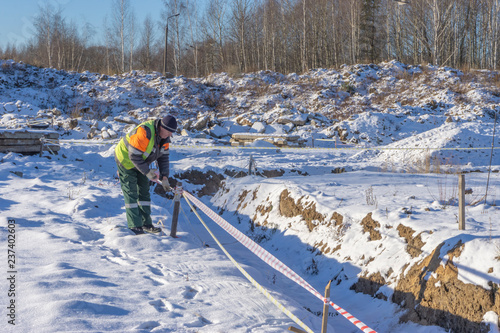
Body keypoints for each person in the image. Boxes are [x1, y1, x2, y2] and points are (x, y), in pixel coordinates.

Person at [114, 115, 177, 235]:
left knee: (144, 191)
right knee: (131, 192)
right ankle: (135, 225)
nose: (170, 135)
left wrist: (164, 176)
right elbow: (133, 156)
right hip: (125, 160)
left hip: (142, 162)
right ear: (162, 127)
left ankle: (146, 224)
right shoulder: (145, 131)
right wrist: (147, 172)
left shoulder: (165, 138)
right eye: (169, 132)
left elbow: (163, 157)